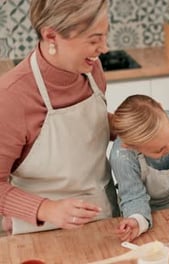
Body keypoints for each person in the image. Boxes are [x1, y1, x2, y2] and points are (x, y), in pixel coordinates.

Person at [0, 0, 118, 235]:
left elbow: (87, 128)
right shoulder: (11, 97)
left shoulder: (91, 69)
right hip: (41, 232)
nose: (104, 48)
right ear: (51, 36)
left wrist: (141, 126)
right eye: (94, 40)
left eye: (105, 36)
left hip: (104, 218)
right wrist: (46, 208)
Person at [109, 95, 169, 242]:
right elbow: (133, 197)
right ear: (131, 146)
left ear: (161, 107)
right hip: (144, 214)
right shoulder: (122, 157)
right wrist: (137, 221)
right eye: (159, 150)